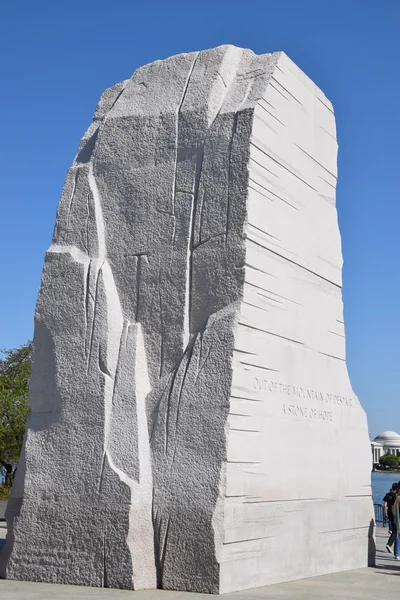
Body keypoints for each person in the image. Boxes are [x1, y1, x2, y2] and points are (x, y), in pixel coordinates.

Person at [383, 482, 398, 552]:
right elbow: (394, 506)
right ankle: (389, 544)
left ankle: (390, 544)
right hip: (394, 514)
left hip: (389, 514)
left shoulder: (388, 495)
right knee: (395, 531)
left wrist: (384, 514)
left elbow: (385, 505)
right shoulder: (396, 496)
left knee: (394, 529)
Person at [392, 484, 400, 560]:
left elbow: (394, 510)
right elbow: (395, 511)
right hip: (398, 520)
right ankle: (397, 553)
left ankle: (397, 553)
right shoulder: (398, 498)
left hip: (397, 519)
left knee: (398, 536)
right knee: (398, 536)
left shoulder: (397, 498)